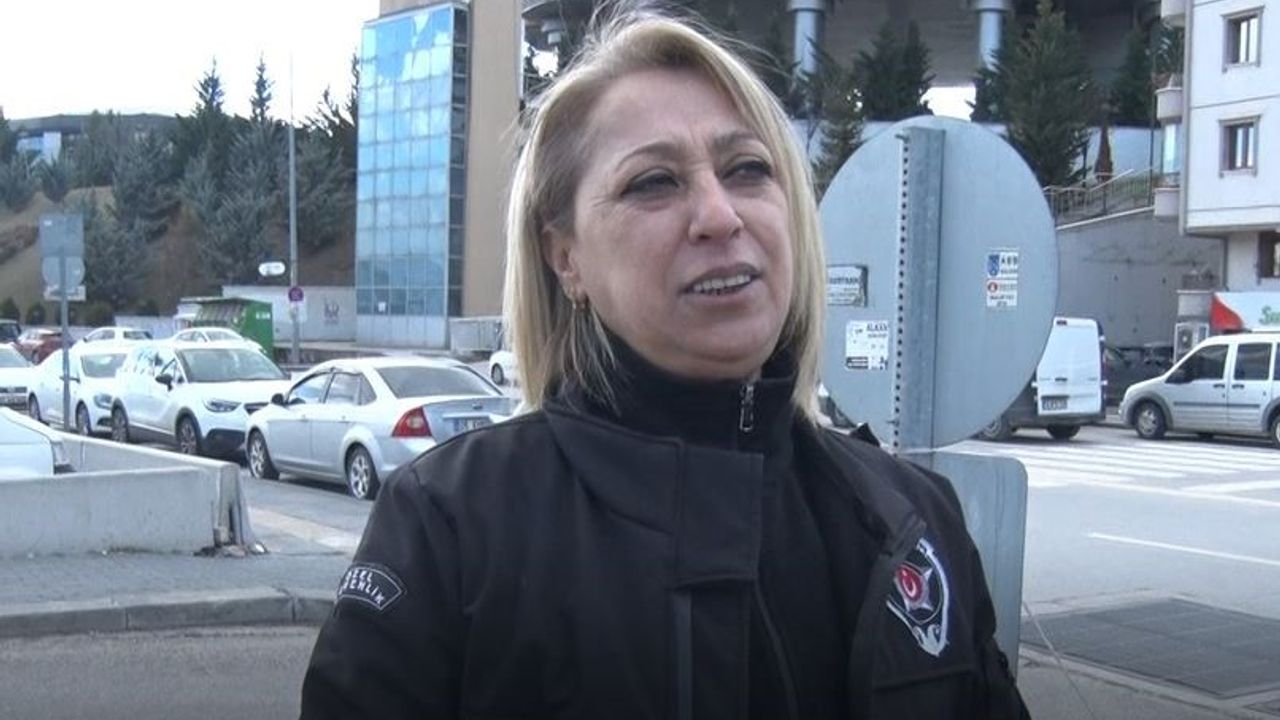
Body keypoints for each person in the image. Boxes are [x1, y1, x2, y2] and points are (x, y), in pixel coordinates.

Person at [300, 7, 1030, 719]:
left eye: (748, 169)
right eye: (653, 182)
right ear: (566, 258)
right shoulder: (448, 525)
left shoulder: (912, 521)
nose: (720, 215)